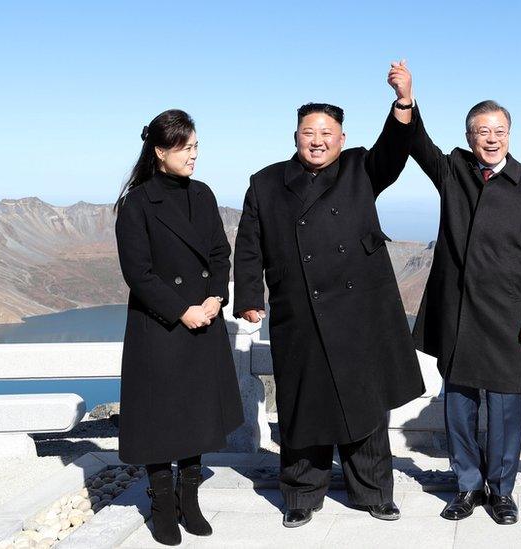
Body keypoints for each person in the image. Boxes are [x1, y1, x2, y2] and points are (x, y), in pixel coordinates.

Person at [233, 61, 424, 528]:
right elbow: (249, 241)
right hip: (298, 309)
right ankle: (300, 494)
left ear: (341, 137)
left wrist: (403, 101)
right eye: (307, 132)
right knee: (302, 404)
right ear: (295, 136)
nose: (316, 140)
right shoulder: (266, 181)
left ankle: (375, 492)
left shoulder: (361, 167)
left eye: (326, 132)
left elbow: (395, 150)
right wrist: (248, 296)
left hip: (359, 311)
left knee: (365, 405)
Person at [410, 99, 521, 525]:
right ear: (469, 136)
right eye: (481, 132)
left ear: (509, 134)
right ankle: (468, 485)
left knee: (507, 405)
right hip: (458, 309)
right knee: (459, 401)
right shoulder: (454, 171)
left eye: (498, 131)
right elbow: (418, 144)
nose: (491, 139)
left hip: (508, 312)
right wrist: (406, 102)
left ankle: (502, 490)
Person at [114, 109, 244, 546]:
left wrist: (215, 296)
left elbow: (218, 253)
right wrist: (181, 310)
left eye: (195, 146)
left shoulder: (202, 195)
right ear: (160, 151)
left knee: (195, 413)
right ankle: (162, 502)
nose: (194, 155)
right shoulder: (137, 202)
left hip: (203, 319)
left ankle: (190, 499)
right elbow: (139, 272)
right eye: (186, 148)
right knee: (159, 418)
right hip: (160, 325)